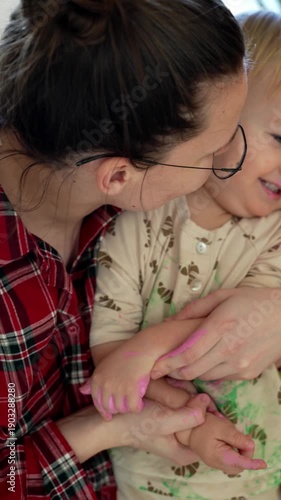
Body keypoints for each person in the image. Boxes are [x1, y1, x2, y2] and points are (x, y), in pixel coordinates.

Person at [0, 0, 251, 498]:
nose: (228, 163)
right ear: (117, 174)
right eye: (210, 154)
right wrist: (109, 429)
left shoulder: (122, 204)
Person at [88, 10, 281, 500]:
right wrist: (190, 424)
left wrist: (146, 350)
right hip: (147, 478)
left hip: (260, 472)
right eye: (279, 137)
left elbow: (236, 326)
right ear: (221, 116)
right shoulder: (139, 214)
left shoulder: (274, 231)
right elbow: (111, 353)